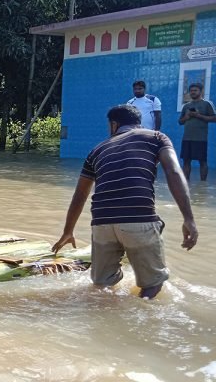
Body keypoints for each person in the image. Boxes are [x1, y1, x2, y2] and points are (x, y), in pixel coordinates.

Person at [52, 105, 198, 299]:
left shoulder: (96, 150)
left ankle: (103, 323)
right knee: (153, 284)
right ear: (138, 123)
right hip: (137, 218)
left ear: (114, 125)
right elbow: (173, 172)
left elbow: (80, 194)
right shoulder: (156, 137)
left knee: (101, 286)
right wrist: (188, 218)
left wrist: (68, 231)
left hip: (101, 223)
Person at [178, 83, 215, 181]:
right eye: (191, 91)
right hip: (187, 138)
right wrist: (187, 117)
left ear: (201, 91)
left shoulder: (207, 104)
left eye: (195, 90)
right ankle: (186, 183)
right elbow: (180, 121)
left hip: (200, 138)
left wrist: (198, 116)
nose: (193, 92)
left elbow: (214, 118)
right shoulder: (186, 106)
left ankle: (203, 185)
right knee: (186, 161)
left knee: (202, 161)